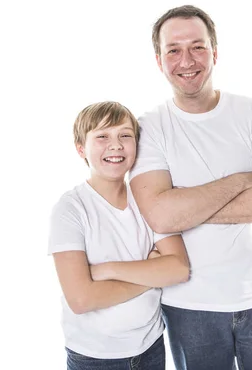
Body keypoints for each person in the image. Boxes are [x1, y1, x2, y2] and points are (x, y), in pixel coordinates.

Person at [129, 5, 252, 369]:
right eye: (173, 50)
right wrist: (243, 181)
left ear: (215, 52)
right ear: (159, 60)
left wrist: (187, 208)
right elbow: (161, 216)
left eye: (198, 46)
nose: (186, 60)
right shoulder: (149, 126)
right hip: (191, 306)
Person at [48, 101, 190, 370]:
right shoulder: (70, 209)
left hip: (150, 348)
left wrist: (108, 270)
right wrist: (150, 276)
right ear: (81, 149)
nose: (115, 145)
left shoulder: (147, 199)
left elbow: (178, 269)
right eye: (102, 136)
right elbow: (81, 299)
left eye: (125, 135)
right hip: (95, 357)